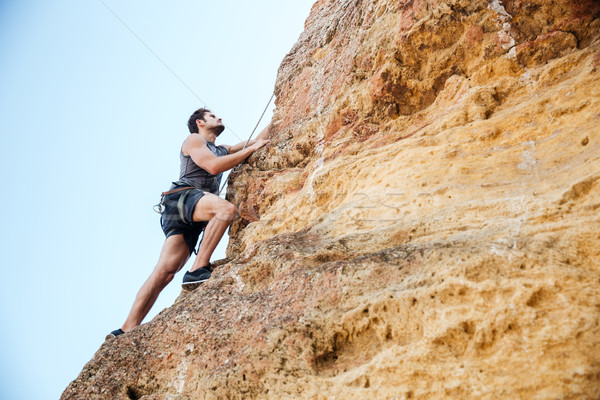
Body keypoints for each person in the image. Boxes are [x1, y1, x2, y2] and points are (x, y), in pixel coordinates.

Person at [107, 108, 270, 339]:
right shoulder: (194, 139)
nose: (220, 118)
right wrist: (250, 150)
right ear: (200, 122)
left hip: (188, 208)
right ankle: (197, 269)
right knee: (226, 209)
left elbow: (255, 141)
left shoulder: (222, 148)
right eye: (213, 116)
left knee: (165, 272)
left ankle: (124, 329)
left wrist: (279, 113)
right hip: (183, 197)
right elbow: (213, 166)